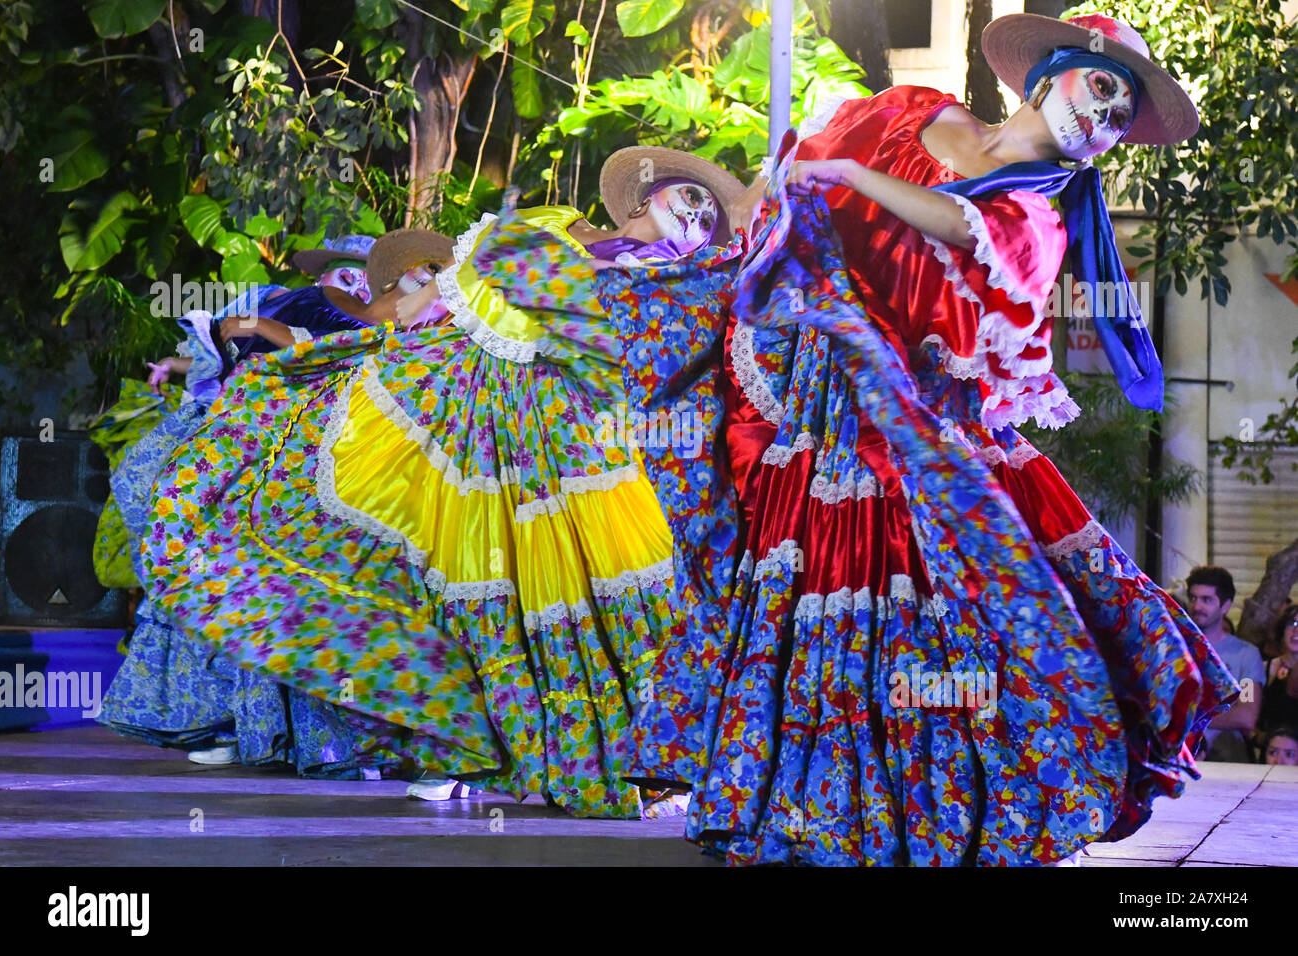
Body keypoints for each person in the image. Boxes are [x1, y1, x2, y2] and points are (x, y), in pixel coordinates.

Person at [477, 12, 1237, 864]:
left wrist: (847, 175)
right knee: (793, 592)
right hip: (821, 411)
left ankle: (909, 811)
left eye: (1120, 119)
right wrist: (774, 203)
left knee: (926, 626)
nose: (1104, 122)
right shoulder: (911, 110)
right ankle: (795, 806)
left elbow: (953, 223)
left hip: (917, 441)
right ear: (1049, 74)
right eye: (1103, 90)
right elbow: (787, 190)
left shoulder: (1040, 219)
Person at [140, 149, 747, 816]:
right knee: (436, 581)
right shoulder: (545, 223)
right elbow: (413, 311)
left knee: (577, 599)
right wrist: (306, 345)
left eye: (708, 219)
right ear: (643, 197)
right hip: (456, 424)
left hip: (560, 453)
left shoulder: (661, 287)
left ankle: (630, 760)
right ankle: (452, 746)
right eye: (689, 199)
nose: (696, 218)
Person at [97, 230, 453, 775]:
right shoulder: (317, 301)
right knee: (226, 575)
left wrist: (267, 331)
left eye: (437, 276)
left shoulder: (423, 335)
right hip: (261, 458)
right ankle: (244, 725)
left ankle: (338, 739)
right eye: (424, 271)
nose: (432, 283)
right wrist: (242, 335)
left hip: (339, 479)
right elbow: (248, 344)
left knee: (304, 596)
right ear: (397, 272)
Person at [1186, 566, 1262, 762]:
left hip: (1227, 757)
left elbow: (1246, 714)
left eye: (1207, 600)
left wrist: (1190, 718)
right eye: (1193, 598)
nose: (1197, 606)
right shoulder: (1173, 648)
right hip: (1178, 754)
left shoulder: (1246, 655)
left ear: (1226, 606)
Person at [1258, 602, 1298, 747]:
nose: (1296, 630)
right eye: (1292, 623)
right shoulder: (1260, 667)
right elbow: (1245, 700)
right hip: (1270, 750)